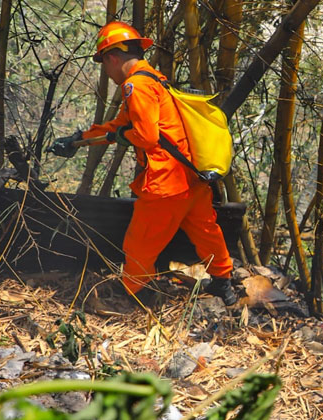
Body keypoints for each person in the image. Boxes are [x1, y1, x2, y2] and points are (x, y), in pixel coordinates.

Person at [48, 21, 237, 306]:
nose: (107, 72)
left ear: (112, 58)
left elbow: (145, 137)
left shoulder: (136, 86)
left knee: (138, 243)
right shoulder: (153, 79)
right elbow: (121, 125)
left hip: (166, 184)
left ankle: (137, 297)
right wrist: (78, 139)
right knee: (206, 231)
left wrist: (119, 135)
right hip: (192, 179)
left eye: (104, 63)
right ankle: (224, 284)